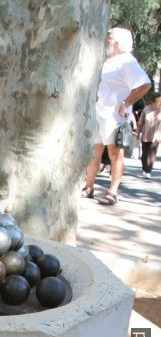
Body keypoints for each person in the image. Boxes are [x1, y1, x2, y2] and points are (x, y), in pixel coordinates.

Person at [82, 28, 151, 205]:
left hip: (115, 116)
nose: (106, 40)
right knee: (94, 150)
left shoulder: (127, 61)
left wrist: (127, 103)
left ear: (118, 43)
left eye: (109, 37)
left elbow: (145, 85)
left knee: (115, 152)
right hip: (97, 113)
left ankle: (112, 191)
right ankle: (88, 186)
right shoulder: (106, 60)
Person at [136, 92, 161, 179]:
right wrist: (138, 133)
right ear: (152, 102)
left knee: (152, 154)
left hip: (157, 136)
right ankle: (144, 168)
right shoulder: (146, 109)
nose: (160, 103)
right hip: (145, 135)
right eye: (158, 101)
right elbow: (140, 123)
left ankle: (148, 171)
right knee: (144, 154)